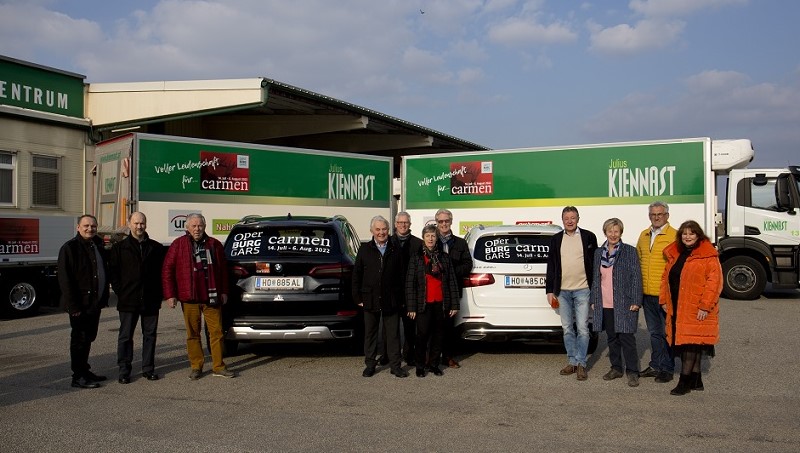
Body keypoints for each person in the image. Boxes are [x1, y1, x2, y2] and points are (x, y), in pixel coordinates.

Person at [162, 213, 235, 380]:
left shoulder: (214, 245)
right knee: (193, 334)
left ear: (205, 226)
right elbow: (167, 270)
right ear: (187, 227)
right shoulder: (178, 245)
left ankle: (218, 366)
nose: (197, 229)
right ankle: (196, 366)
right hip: (190, 299)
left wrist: (224, 291)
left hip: (212, 297)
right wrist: (170, 295)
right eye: (193, 226)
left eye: (200, 225)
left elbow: (223, 271)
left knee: (216, 333)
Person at [660, 220, 722, 396]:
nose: (687, 237)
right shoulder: (677, 253)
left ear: (698, 235)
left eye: (691, 233)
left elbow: (714, 283)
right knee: (691, 341)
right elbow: (666, 277)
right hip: (679, 305)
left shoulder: (708, 256)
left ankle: (684, 382)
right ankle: (696, 380)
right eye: (684, 233)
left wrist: (705, 306)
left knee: (690, 344)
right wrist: (664, 299)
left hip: (697, 307)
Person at [109, 212, 165, 384]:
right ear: (129, 224)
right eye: (136, 223)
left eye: (142, 223)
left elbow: (162, 273)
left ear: (146, 224)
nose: (139, 226)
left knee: (150, 335)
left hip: (150, 300)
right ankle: (124, 370)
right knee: (125, 336)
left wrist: (159, 294)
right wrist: (122, 292)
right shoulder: (119, 248)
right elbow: (114, 274)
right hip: (128, 300)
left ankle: (148, 368)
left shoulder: (156, 248)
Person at [546, 206, 598, 381]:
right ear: (562, 220)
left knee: (583, 329)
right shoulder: (555, 239)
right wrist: (549, 290)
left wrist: (595, 291)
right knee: (567, 329)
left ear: (578, 219)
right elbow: (551, 266)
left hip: (583, 289)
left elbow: (595, 265)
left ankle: (582, 363)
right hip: (562, 291)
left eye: (573, 217)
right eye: (566, 218)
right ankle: (572, 361)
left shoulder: (589, 237)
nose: (570, 221)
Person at [58, 214, 110, 389]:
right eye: (86, 226)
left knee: (88, 337)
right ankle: (78, 376)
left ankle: (85, 370)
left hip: (94, 303)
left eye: (93, 226)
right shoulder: (70, 248)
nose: (90, 229)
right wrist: (73, 307)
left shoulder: (98, 246)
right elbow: (65, 280)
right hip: (80, 305)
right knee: (79, 340)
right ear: (78, 227)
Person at [353, 215, 407, 378]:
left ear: (389, 230)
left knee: (393, 335)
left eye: (384, 229)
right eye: (378, 229)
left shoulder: (396, 249)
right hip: (370, 298)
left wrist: (402, 298)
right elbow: (357, 275)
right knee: (370, 333)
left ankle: (395, 366)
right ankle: (370, 364)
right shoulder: (364, 249)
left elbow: (402, 276)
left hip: (391, 299)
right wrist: (357, 298)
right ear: (372, 231)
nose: (381, 232)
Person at [590, 218, 643, 387]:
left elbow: (636, 277)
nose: (613, 234)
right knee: (612, 338)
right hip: (605, 302)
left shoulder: (629, 251)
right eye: (610, 231)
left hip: (624, 302)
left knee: (627, 338)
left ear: (621, 232)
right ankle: (616, 368)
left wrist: (636, 300)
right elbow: (595, 279)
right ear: (605, 232)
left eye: (616, 231)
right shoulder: (599, 253)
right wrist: (594, 299)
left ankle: (633, 371)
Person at [406, 224, 460, 377]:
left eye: (433, 236)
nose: (430, 238)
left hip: (441, 303)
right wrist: (411, 307)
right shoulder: (416, 258)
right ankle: (420, 366)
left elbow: (452, 282)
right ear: (423, 238)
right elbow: (410, 284)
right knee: (422, 336)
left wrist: (454, 304)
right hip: (424, 304)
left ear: (437, 239)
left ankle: (434, 365)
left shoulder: (444, 257)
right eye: (428, 235)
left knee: (438, 336)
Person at [636, 201, 677, 383]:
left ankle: (667, 368)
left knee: (668, 332)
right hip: (647, 294)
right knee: (654, 333)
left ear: (667, 215)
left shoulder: (674, 236)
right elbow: (638, 260)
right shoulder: (644, 236)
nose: (656, 217)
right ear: (649, 216)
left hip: (665, 294)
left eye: (660, 214)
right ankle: (655, 365)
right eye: (653, 214)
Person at [435, 208, 472, 369]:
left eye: (446, 221)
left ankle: (448, 356)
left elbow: (467, 264)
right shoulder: (430, 240)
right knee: (432, 325)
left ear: (451, 221)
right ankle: (433, 357)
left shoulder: (460, 243)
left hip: (452, 289)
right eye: (440, 221)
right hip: (434, 289)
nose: (443, 224)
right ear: (436, 222)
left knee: (449, 326)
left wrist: (451, 272)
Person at [390, 211, 423, 366]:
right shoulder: (389, 242)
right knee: (391, 328)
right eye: (400, 222)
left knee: (410, 327)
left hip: (411, 293)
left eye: (406, 223)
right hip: (393, 293)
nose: (403, 225)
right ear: (396, 224)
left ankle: (409, 355)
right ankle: (389, 356)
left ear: (410, 225)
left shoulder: (418, 244)